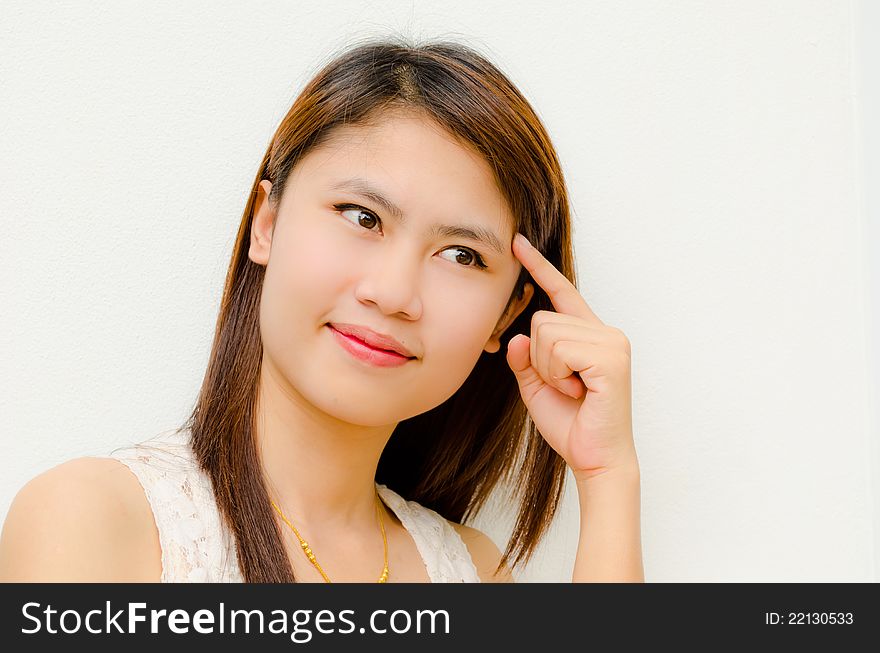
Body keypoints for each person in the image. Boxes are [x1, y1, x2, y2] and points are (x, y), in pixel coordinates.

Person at [0, 37, 643, 583]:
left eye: (461, 255)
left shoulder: (471, 572)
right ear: (267, 223)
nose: (392, 293)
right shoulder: (97, 521)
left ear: (507, 317)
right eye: (362, 217)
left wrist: (606, 475)